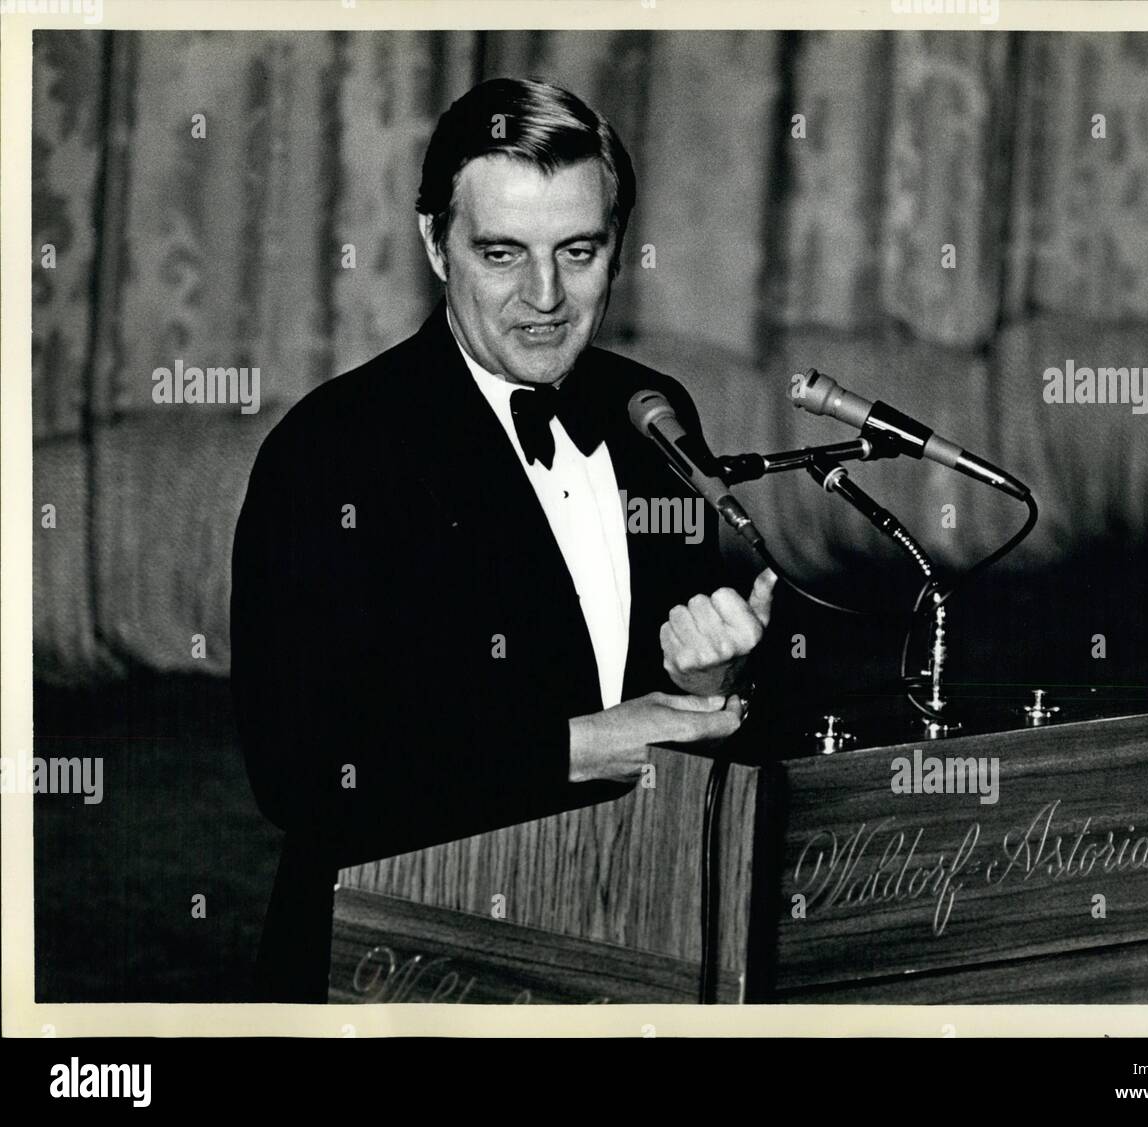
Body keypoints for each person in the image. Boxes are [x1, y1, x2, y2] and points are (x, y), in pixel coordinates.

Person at [229, 77, 777, 1002]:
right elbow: (307, 774)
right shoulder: (329, 454)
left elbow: (660, 700)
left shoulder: (653, 414)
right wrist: (581, 744)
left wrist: (703, 683)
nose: (545, 296)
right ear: (434, 246)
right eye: (500, 253)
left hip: (635, 943)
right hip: (395, 961)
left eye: (578, 250)